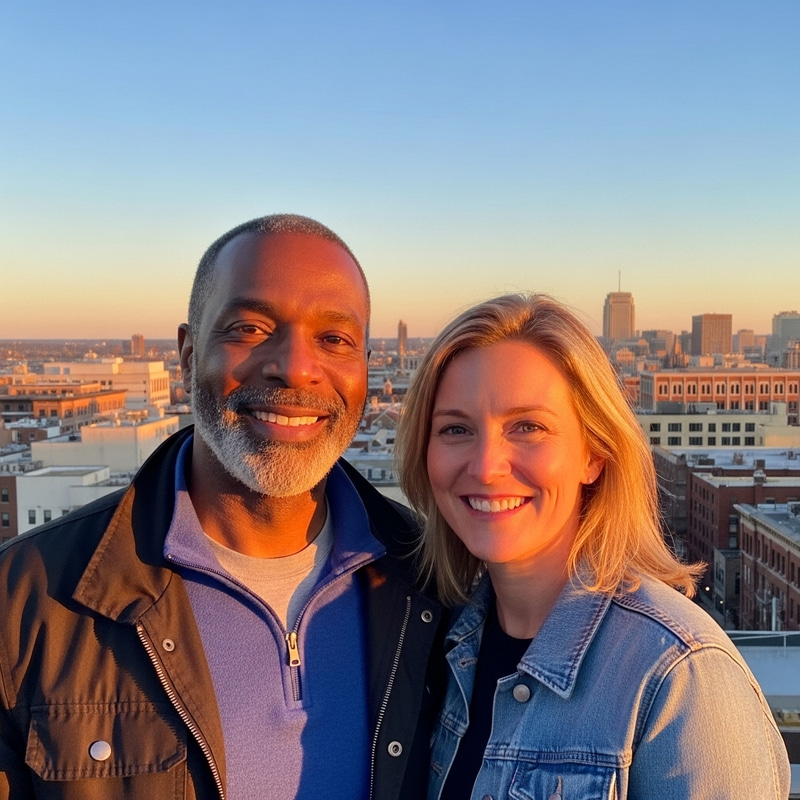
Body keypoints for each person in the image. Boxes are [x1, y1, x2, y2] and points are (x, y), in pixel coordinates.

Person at [0, 214, 443, 800]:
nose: (296, 367)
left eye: (334, 340)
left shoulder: (435, 585)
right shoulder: (28, 600)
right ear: (187, 355)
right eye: (251, 328)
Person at [395, 293, 791, 800]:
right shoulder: (442, 647)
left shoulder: (679, 676)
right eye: (455, 429)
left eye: (528, 427)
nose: (487, 465)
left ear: (594, 456)